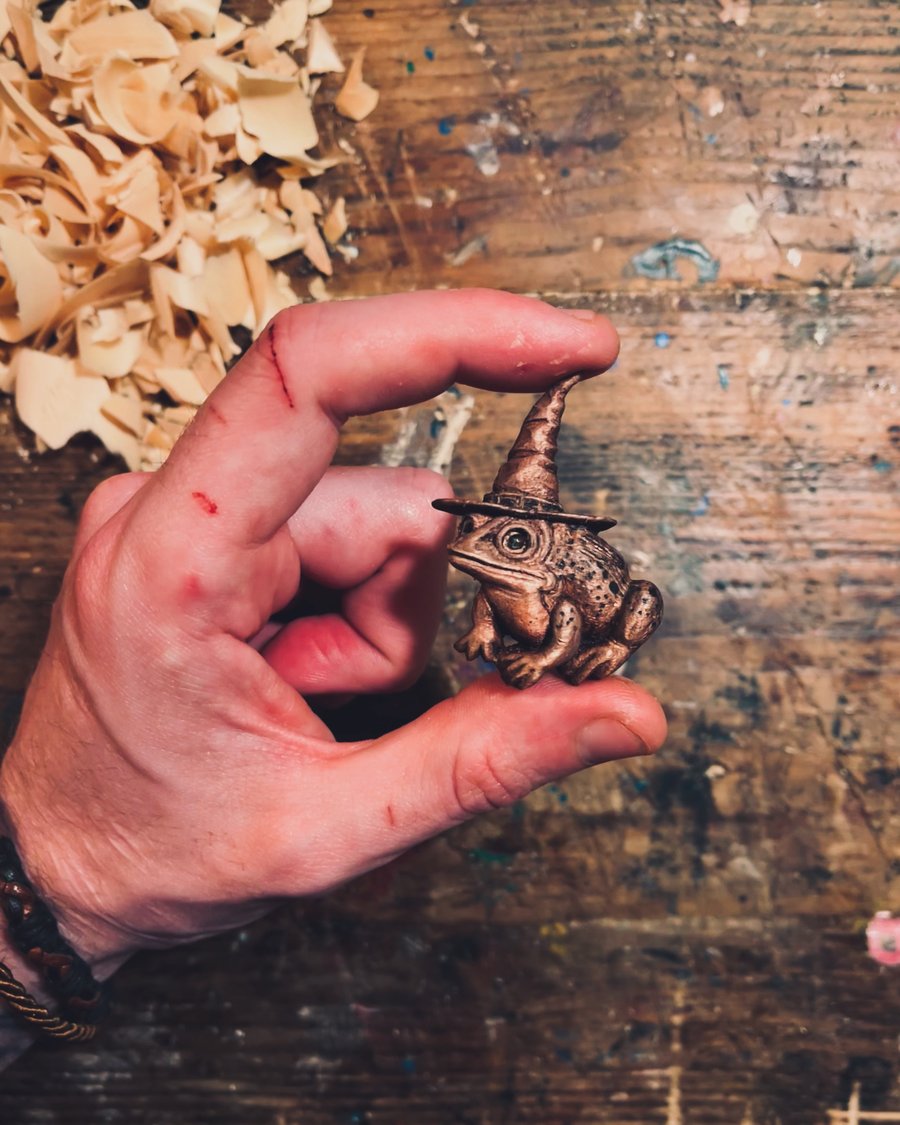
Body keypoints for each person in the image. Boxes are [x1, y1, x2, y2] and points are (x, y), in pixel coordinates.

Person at [0, 289, 666, 1069]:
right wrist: (68, 882)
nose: (483, 545)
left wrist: (548, 658)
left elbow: (562, 623)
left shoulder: (557, 582)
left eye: (509, 540)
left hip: (593, 623)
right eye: (477, 528)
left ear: (543, 548)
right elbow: (496, 604)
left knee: (637, 606)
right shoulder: (502, 575)